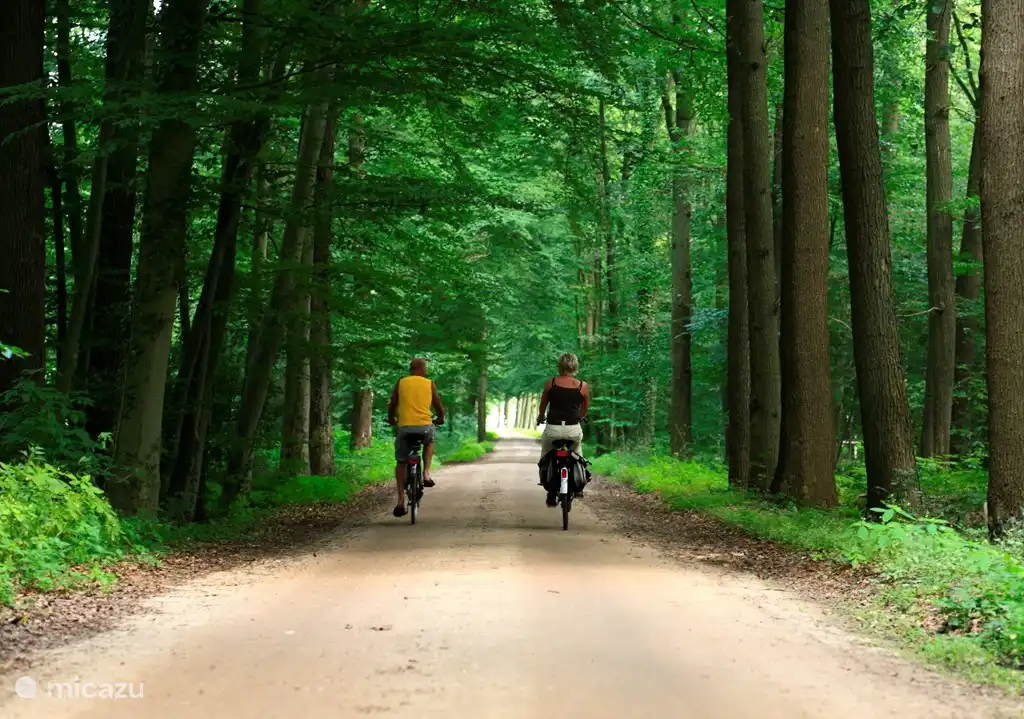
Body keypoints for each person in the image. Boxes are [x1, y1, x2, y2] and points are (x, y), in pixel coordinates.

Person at [387, 357, 445, 517]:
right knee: (430, 441)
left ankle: (400, 501)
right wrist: (441, 417)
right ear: (421, 368)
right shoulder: (428, 383)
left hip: (405, 428)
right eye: (425, 367)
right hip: (425, 427)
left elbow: (392, 403)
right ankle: (426, 473)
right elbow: (437, 403)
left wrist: (391, 419)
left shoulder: (401, 383)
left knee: (400, 461)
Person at [535, 353, 590, 507]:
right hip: (573, 430)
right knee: (577, 454)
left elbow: (543, 405)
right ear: (575, 367)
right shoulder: (583, 386)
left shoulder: (551, 383)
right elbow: (584, 410)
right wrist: (579, 417)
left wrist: (541, 417)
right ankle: (579, 484)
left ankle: (550, 491)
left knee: (545, 457)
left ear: (560, 366)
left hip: (553, 428)